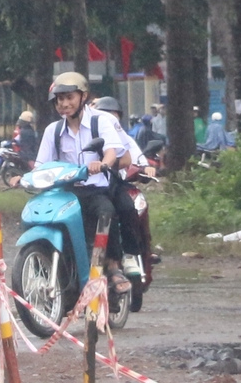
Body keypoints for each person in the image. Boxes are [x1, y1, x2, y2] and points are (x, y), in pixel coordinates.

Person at [17, 71, 133, 293]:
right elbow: (42, 165)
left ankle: (113, 265)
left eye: (69, 97)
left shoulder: (102, 122)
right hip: (66, 193)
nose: (64, 103)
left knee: (106, 211)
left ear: (84, 97)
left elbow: (112, 151)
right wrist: (22, 178)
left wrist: (103, 163)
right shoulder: (54, 130)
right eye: (60, 99)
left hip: (96, 189)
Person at [94, 96, 150, 278]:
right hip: (86, 187)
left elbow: (134, 158)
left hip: (115, 182)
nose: (109, 119)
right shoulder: (61, 130)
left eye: (113, 115)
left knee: (127, 208)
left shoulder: (123, 137)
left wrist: (146, 168)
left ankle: (130, 254)